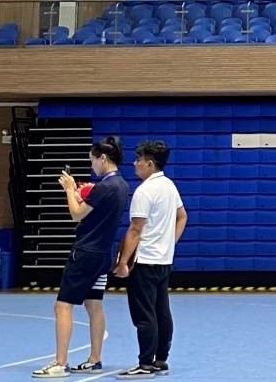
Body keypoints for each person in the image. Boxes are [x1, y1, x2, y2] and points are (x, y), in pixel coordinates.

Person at [32, 136, 129, 378]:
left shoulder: (103, 188)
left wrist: (68, 190)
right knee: (94, 304)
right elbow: (95, 212)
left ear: (102, 158)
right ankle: (95, 359)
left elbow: (76, 214)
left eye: (92, 160)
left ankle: (60, 363)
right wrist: (78, 193)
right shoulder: (121, 185)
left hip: (86, 252)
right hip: (103, 253)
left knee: (62, 305)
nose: (92, 166)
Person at [112, 141, 186, 379]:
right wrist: (169, 243)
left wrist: (123, 262)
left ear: (150, 164)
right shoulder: (169, 186)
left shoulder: (144, 191)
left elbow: (135, 229)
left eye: (138, 159)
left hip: (144, 261)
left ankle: (145, 364)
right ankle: (161, 359)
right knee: (161, 311)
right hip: (163, 260)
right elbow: (182, 217)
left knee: (144, 314)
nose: (134, 163)